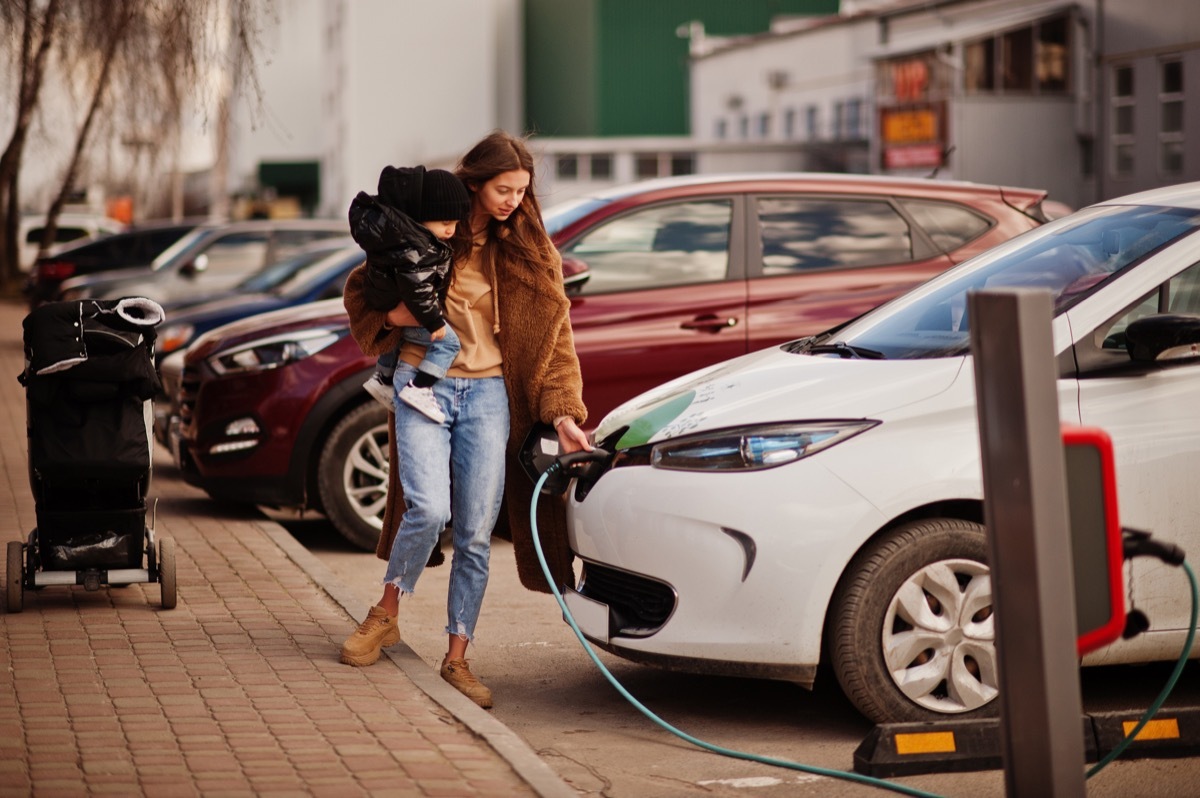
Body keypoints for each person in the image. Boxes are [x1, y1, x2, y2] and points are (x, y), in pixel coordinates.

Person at [339, 130, 592, 709]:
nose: (513, 201)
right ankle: (386, 613)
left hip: (488, 397)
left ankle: (458, 655)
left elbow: (557, 343)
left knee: (476, 533)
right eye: (504, 189)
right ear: (473, 183)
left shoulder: (529, 252)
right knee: (427, 508)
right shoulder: (426, 225)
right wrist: (394, 316)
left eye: (522, 192)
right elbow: (361, 292)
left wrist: (564, 414)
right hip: (420, 384)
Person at [349, 166, 471, 423]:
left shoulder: (401, 239)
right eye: (445, 223)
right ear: (422, 218)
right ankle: (420, 387)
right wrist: (434, 320)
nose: (451, 231)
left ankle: (382, 377)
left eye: (456, 224)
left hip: (389, 301)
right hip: (414, 313)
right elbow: (417, 287)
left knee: (399, 339)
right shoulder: (419, 247)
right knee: (449, 344)